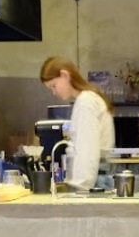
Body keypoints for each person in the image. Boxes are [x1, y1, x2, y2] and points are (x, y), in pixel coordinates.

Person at [39, 57, 116, 190]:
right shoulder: (88, 98)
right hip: (98, 177)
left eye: (53, 85)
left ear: (65, 75)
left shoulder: (86, 102)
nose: (54, 92)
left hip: (93, 182)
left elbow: (87, 149)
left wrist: (80, 187)